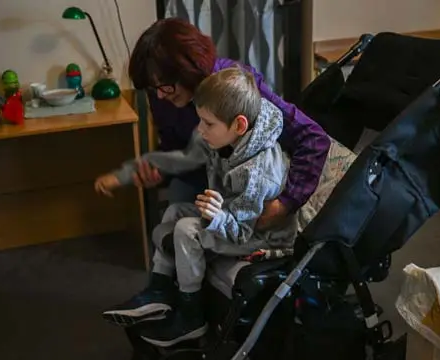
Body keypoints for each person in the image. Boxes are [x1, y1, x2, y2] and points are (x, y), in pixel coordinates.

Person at [94, 66, 297, 347]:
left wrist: (217, 216)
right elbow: (180, 159)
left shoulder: (257, 173)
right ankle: (160, 290)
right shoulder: (224, 135)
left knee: (186, 228)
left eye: (207, 124)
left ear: (238, 125)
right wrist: (125, 175)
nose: (200, 131)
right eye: (199, 120)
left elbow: (242, 231)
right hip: (231, 214)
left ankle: (191, 319)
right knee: (173, 211)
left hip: (261, 237)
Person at [123, 18, 331, 229]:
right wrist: (160, 172)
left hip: (249, 185)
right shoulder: (164, 95)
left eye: (164, 86)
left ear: (187, 70)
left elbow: (312, 137)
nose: (159, 95)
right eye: (153, 87)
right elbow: (176, 148)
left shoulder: (235, 89)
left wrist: (285, 204)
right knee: (176, 207)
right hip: (208, 180)